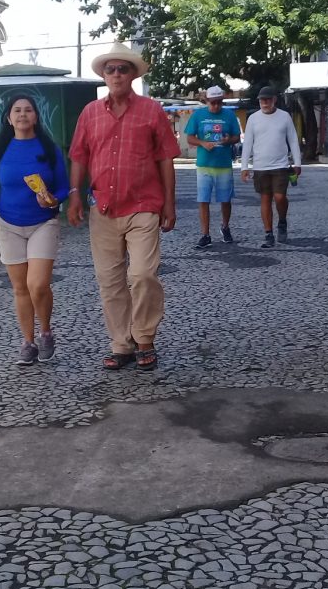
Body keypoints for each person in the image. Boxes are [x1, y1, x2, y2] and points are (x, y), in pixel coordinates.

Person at [67, 42, 181, 371]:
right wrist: (75, 194)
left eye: (123, 69)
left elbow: (165, 158)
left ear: (133, 75)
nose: (116, 74)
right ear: (104, 75)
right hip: (102, 206)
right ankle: (121, 343)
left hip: (144, 204)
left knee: (142, 274)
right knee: (110, 280)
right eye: (111, 69)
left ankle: (144, 337)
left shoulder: (151, 110)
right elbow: (79, 156)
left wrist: (169, 204)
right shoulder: (90, 113)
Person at [0, 94, 70, 366]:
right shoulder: (0, 151)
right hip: (8, 226)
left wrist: (53, 199)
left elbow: (63, 187)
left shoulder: (48, 149)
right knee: (20, 288)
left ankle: (46, 332)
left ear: (36, 116)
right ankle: (28, 342)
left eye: (28, 110)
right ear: (9, 118)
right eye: (17, 110)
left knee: (38, 284)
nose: (22, 115)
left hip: (43, 222)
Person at [240, 86, 302, 248]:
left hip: (281, 165)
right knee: (265, 198)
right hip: (260, 166)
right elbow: (248, 143)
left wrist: (297, 162)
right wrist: (244, 167)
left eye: (268, 99)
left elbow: (293, 139)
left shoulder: (284, 117)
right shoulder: (253, 119)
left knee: (280, 197)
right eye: (262, 100)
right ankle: (268, 233)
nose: (265, 103)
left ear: (274, 99)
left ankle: (282, 220)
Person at [185, 85, 242, 248]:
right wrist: (202, 143)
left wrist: (228, 140)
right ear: (207, 101)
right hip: (204, 164)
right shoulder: (198, 115)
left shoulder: (229, 115)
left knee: (225, 199)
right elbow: (190, 137)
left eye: (219, 102)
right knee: (203, 199)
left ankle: (225, 227)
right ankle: (205, 234)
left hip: (224, 164)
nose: (216, 106)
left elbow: (237, 136)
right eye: (213, 103)